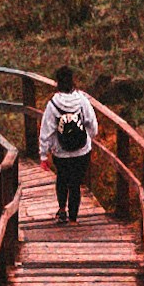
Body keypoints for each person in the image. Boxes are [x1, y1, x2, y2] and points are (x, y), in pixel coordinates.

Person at [39, 68, 99, 223]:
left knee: (62, 179)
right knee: (75, 183)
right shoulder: (82, 100)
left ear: (57, 82)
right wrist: (88, 138)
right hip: (81, 151)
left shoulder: (53, 104)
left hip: (61, 152)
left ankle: (61, 209)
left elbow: (46, 130)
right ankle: (73, 218)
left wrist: (43, 155)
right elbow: (92, 124)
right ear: (73, 80)